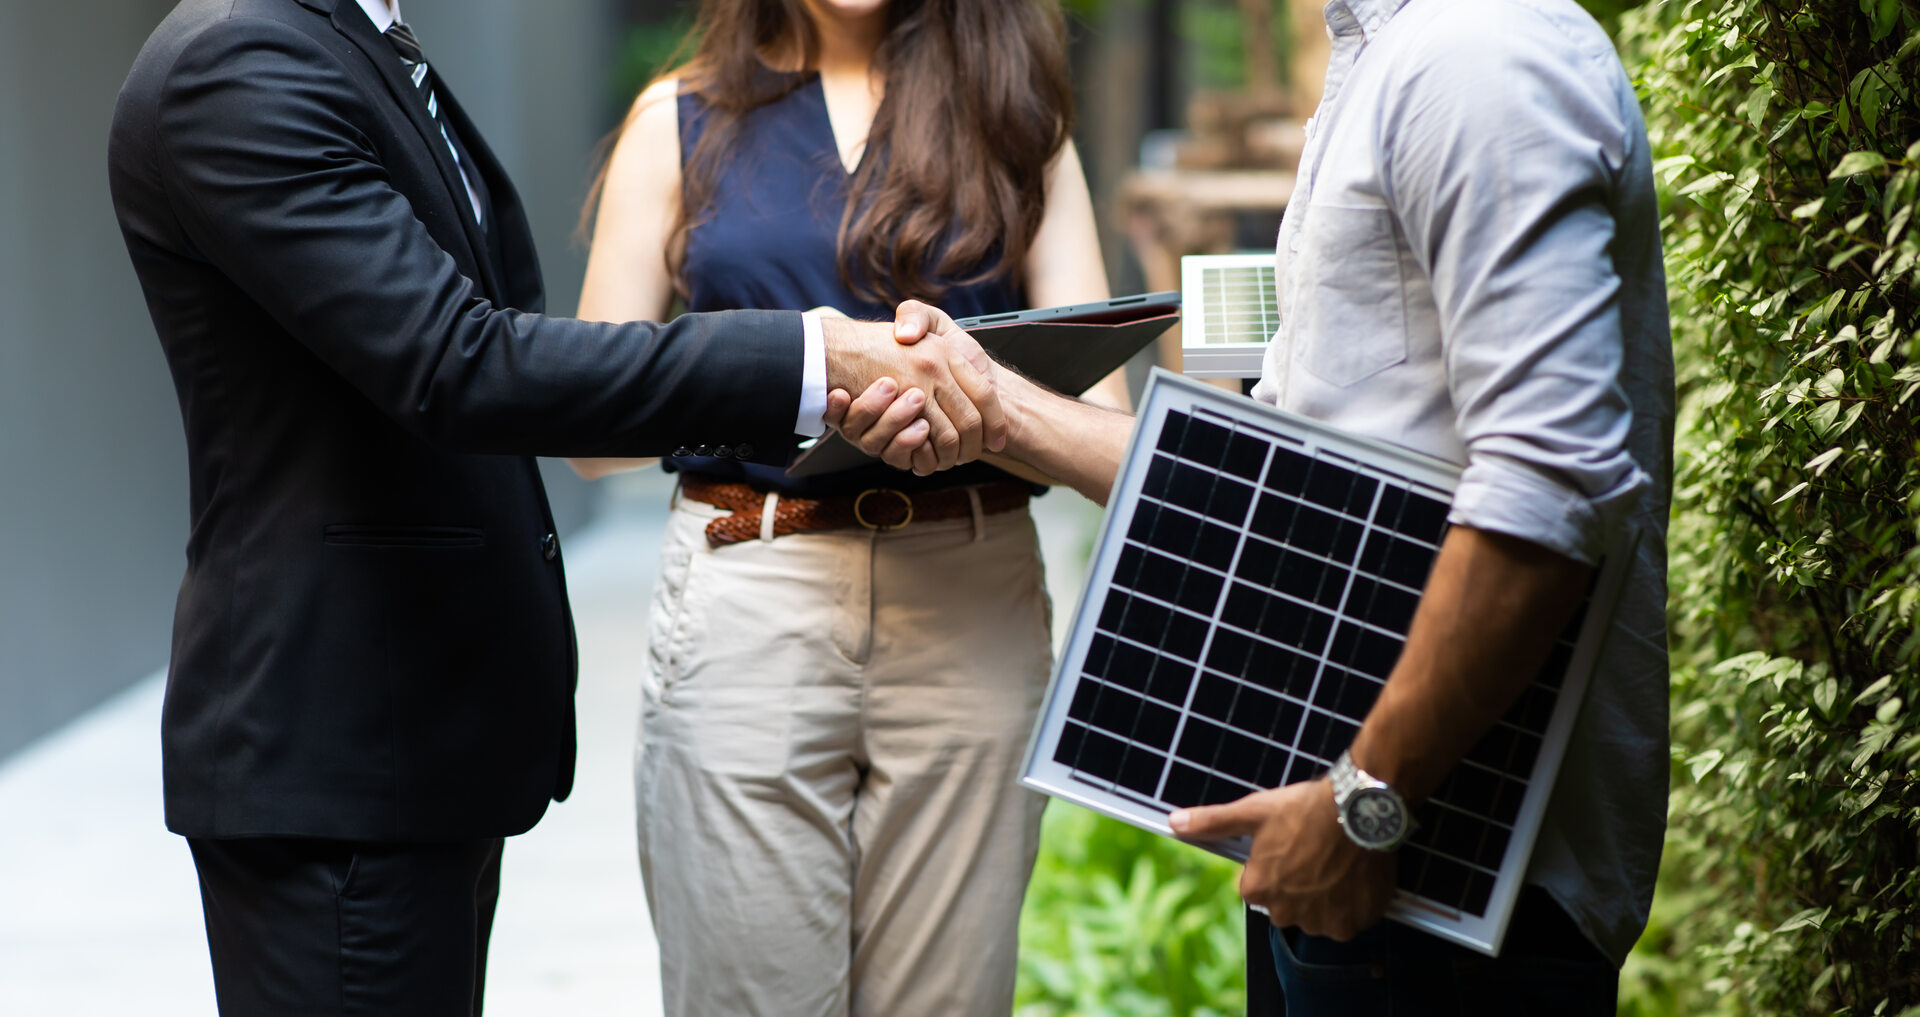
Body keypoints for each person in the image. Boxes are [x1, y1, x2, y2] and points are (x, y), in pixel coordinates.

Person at [106, 0, 1003, 1014]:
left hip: (401, 736)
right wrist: (809, 355)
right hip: (336, 739)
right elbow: (459, 362)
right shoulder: (238, 62)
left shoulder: (361, 45)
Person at [839, 0, 1675, 1010]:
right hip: (1367, 852)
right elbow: (1289, 485)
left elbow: (1551, 484)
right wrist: (997, 409)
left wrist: (1367, 798)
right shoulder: (1386, 56)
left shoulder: (1479, 57)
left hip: (1448, 868)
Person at [565, 1, 1118, 1013]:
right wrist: (800, 373)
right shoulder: (677, 118)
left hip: (973, 600)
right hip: (752, 587)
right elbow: (594, 430)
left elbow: (1105, 432)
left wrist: (978, 403)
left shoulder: (1019, 118)